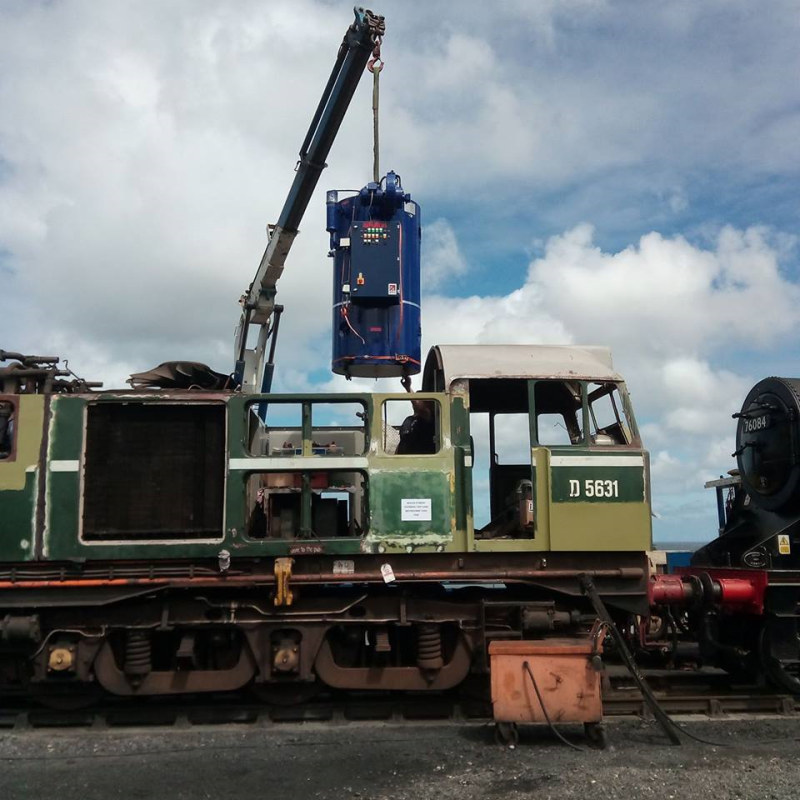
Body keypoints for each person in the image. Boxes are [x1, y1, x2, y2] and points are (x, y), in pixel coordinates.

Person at [395, 376, 436, 455]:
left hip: (421, 460)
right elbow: (402, 441)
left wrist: (408, 388)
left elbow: (420, 408)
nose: (416, 401)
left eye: (419, 399)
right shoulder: (409, 419)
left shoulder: (428, 418)